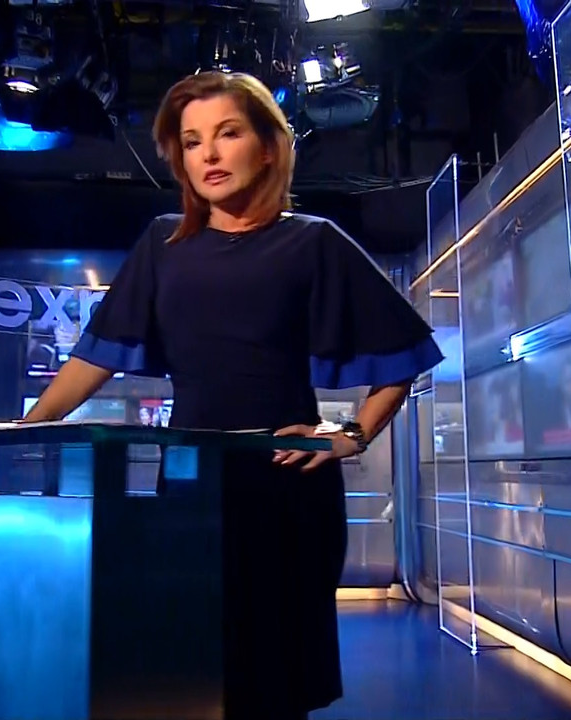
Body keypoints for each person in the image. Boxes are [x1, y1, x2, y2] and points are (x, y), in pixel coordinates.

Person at [23, 71, 444, 718]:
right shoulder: (163, 245)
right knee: (187, 677)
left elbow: (403, 356)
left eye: (227, 134)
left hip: (286, 490)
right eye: (192, 142)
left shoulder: (314, 241)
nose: (209, 155)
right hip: (189, 488)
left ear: (268, 148)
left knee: (274, 688)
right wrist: (31, 424)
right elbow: (96, 355)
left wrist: (350, 435)